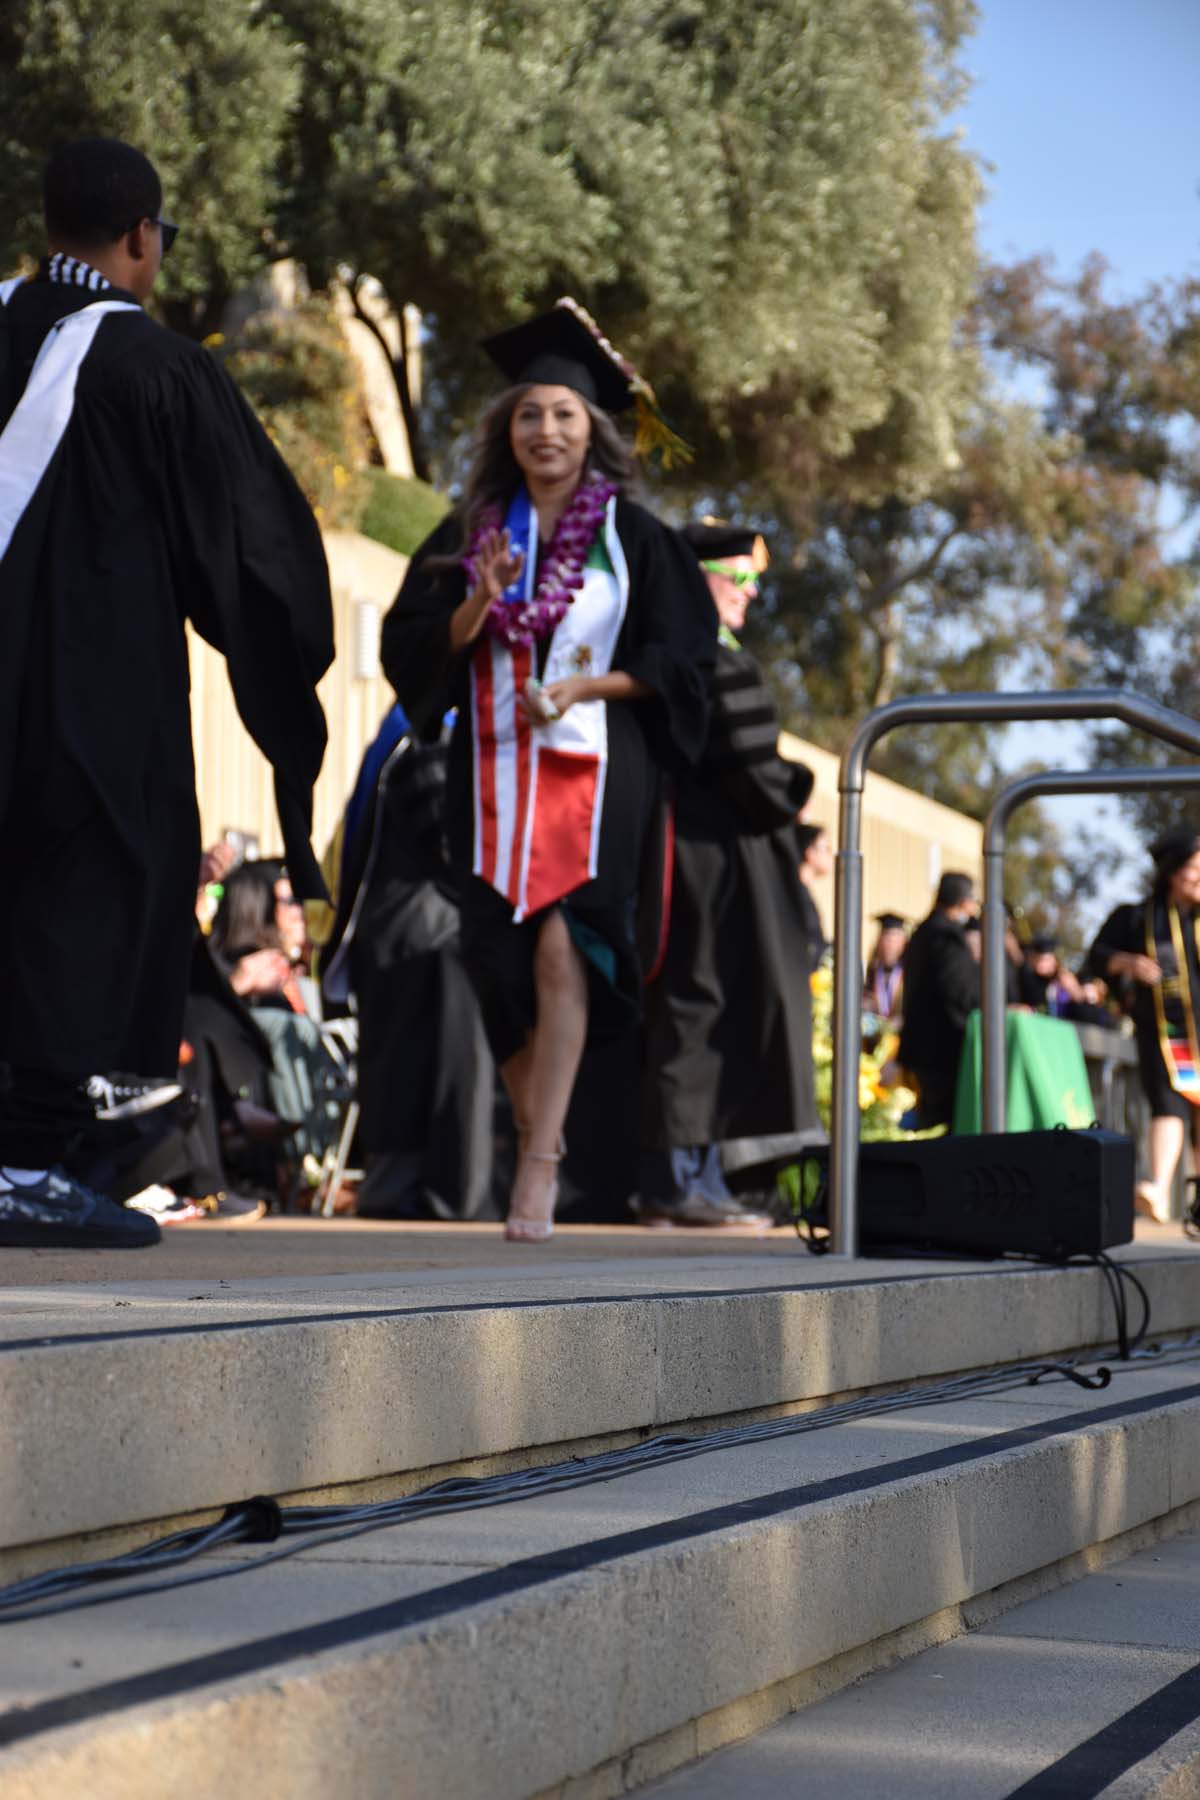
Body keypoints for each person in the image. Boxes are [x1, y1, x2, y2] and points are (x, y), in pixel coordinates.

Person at [0, 138, 333, 1248]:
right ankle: (23, 1162)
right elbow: (253, 562)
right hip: (86, 715)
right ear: (144, 237)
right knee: (75, 901)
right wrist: (287, 665)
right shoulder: (157, 369)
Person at [381, 299, 715, 1240]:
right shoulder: (472, 533)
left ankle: (536, 1164)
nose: (546, 430)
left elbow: (684, 662)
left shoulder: (635, 543)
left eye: (565, 415)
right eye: (530, 414)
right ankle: (543, 1132)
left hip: (596, 780)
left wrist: (583, 691)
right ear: (508, 430)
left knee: (567, 948)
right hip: (487, 783)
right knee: (499, 974)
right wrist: (475, 605)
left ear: (593, 430)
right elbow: (416, 648)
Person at [638, 520, 819, 1227]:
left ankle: (703, 1177)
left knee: (715, 1003)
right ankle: (674, 1180)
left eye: (753, 583)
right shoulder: (700, 655)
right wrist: (794, 786)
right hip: (704, 852)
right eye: (736, 578)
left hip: (718, 846)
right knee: (698, 999)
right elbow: (749, 766)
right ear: (697, 578)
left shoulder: (707, 651)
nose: (747, 595)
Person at [321, 705, 498, 1220]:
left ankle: (402, 1193)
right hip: (429, 934)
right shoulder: (429, 731)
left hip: (404, 931)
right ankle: (453, 1198)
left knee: (402, 1070)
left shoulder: (403, 730)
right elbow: (450, 841)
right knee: (438, 1070)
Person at [1087, 828, 1200, 1224]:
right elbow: (1096, 956)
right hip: (1167, 1035)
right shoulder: (1135, 919)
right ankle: (1157, 1187)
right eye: (1193, 866)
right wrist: (1128, 963)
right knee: (1169, 1102)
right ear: (1172, 872)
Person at [897, 872, 981, 1130]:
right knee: (944, 1124)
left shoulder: (923, 933)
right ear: (963, 901)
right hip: (941, 1049)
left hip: (922, 1047)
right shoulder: (946, 937)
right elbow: (959, 988)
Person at [796, 823, 833, 973]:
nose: (832, 856)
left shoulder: (804, 895)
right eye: (827, 849)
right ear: (809, 852)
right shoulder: (797, 898)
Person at [865, 912, 908, 1028]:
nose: (890, 946)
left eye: (895, 941)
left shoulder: (909, 972)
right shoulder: (872, 971)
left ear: (903, 943)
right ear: (879, 942)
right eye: (887, 940)